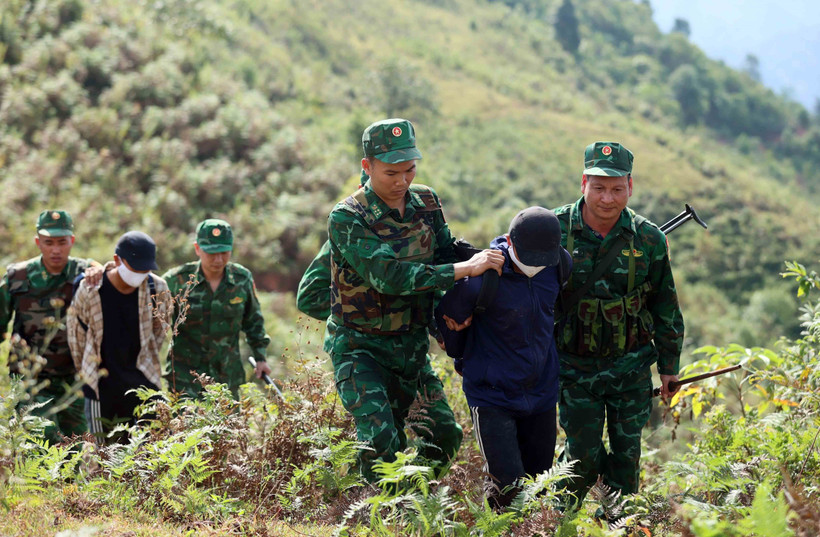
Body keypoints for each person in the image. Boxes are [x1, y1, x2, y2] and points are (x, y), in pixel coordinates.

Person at [327, 118, 504, 481]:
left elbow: (443, 253)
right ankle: (379, 511)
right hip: (361, 349)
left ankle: (414, 501)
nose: (401, 181)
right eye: (391, 172)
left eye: (409, 170)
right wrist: (465, 269)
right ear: (367, 167)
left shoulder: (426, 201)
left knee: (444, 436)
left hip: (410, 348)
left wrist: (452, 311)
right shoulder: (348, 217)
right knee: (380, 442)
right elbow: (389, 277)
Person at [553, 142, 684, 503]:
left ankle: (615, 524)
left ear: (630, 186)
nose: (607, 199)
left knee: (627, 460)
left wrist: (669, 367)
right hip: (575, 368)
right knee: (581, 460)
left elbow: (665, 305)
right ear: (583, 183)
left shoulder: (648, 238)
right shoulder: (554, 229)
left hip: (631, 368)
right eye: (598, 187)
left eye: (616, 188)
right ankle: (559, 522)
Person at [435, 206, 571, 509]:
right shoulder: (482, 279)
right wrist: (462, 355)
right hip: (492, 396)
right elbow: (446, 319)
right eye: (528, 260)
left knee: (539, 485)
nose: (534, 267)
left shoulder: (559, 265)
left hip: (542, 393)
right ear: (510, 242)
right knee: (507, 490)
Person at [0, 210, 96, 442]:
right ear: (38, 242)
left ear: (71, 241)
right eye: (49, 242)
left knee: (75, 447)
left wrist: (101, 269)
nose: (55, 250)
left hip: (73, 381)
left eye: (62, 242)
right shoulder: (18, 277)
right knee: (43, 440)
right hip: (30, 380)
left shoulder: (85, 273)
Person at [67, 231, 170, 440]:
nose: (141, 272)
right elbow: (75, 336)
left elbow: (160, 331)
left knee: (153, 454)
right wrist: (87, 371)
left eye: (146, 267)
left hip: (144, 383)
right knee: (107, 458)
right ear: (117, 260)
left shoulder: (156, 288)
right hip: (102, 389)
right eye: (135, 267)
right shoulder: (90, 289)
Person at [163, 219, 272, 397]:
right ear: (197, 248)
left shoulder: (241, 279)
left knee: (229, 424)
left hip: (227, 376)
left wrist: (260, 357)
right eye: (211, 253)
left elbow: (254, 321)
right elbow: (151, 315)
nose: (218, 259)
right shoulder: (176, 280)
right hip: (185, 377)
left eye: (224, 252)